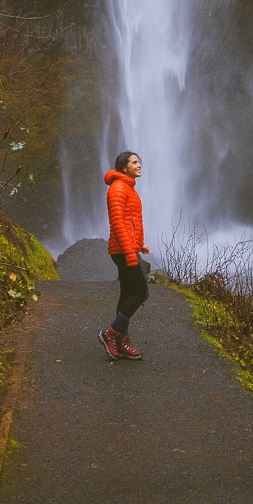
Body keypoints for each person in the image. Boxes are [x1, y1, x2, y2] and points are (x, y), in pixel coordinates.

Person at [99, 151, 151, 361]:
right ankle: (111, 333)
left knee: (127, 293)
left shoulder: (126, 187)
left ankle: (121, 341)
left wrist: (139, 245)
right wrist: (131, 252)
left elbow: (130, 223)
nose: (139, 165)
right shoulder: (118, 189)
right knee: (141, 292)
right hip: (122, 251)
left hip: (127, 248)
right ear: (123, 167)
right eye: (135, 162)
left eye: (140, 161)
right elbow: (118, 224)